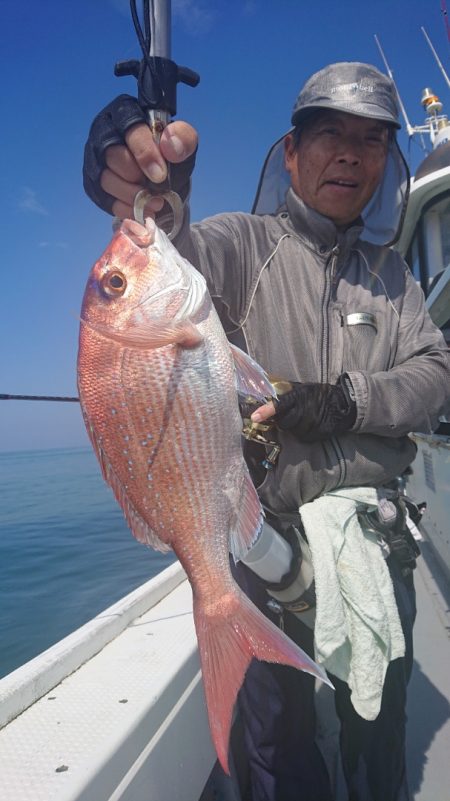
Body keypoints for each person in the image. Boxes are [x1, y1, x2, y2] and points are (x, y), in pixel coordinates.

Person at [83, 62, 450, 801]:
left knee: (378, 724)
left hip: (377, 535)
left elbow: (436, 371)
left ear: (386, 161)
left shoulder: (394, 278)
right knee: (276, 750)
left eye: (371, 141)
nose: (350, 154)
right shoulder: (240, 244)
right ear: (290, 153)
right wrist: (153, 191)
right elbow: (173, 252)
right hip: (266, 541)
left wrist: (347, 402)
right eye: (329, 133)